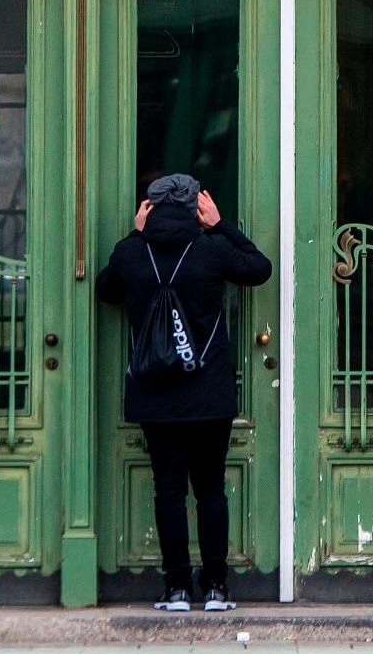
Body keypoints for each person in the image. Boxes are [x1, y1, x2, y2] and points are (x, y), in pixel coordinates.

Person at [95, 172, 272, 612]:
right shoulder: (211, 249)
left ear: (149, 208)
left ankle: (175, 588)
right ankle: (215, 587)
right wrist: (220, 224)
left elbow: (105, 290)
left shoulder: (131, 253)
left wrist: (135, 235)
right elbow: (259, 267)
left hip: (155, 395)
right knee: (210, 488)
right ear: (197, 206)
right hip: (208, 394)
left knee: (168, 489)